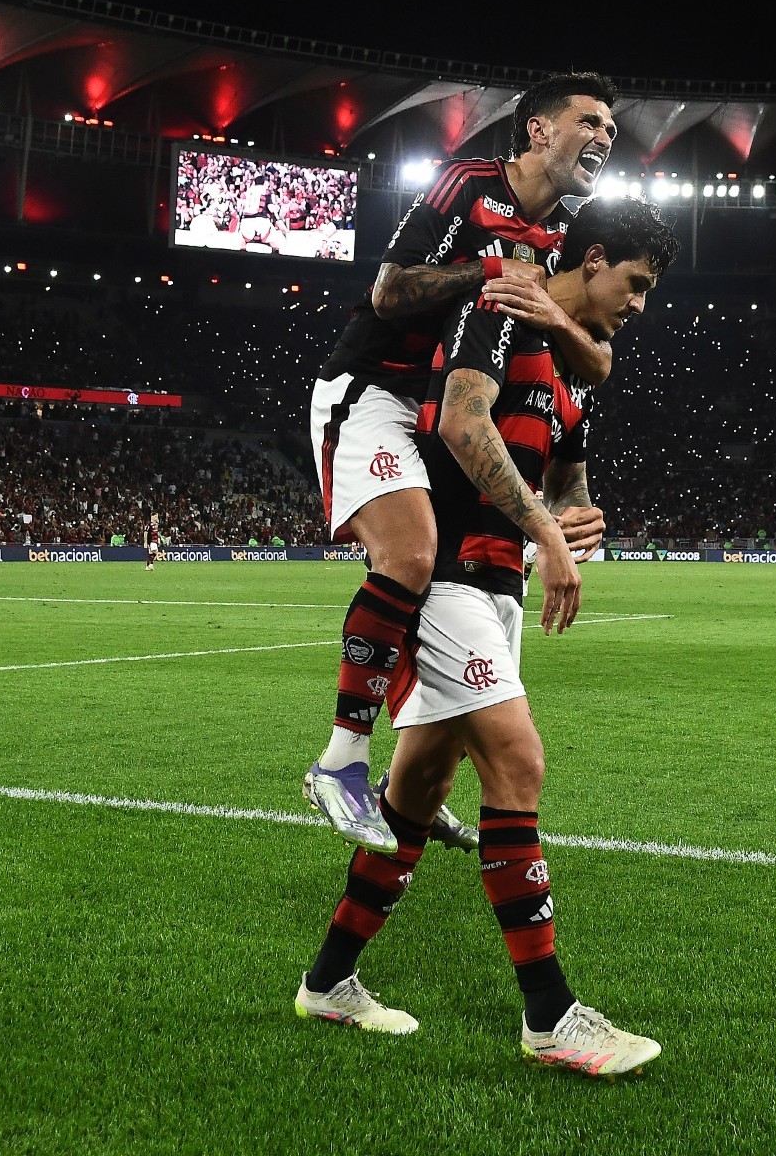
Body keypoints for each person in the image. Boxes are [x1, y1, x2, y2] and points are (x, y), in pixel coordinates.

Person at [294, 195, 679, 1075]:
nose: (639, 305)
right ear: (591, 260)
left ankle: (328, 983)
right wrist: (545, 529)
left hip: (498, 589)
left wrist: (577, 516)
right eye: (636, 283)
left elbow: (569, 473)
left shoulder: (575, 371)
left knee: (418, 794)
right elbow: (461, 423)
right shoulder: (496, 310)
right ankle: (551, 1016)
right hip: (452, 578)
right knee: (519, 764)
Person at [303, 72, 621, 853]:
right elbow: (387, 292)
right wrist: (490, 272)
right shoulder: (468, 184)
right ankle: (339, 762)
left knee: (450, 583)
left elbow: (594, 364)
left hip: (438, 407)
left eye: (613, 129)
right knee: (411, 555)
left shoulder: (563, 235)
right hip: (374, 391)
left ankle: (410, 782)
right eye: (591, 121)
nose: (607, 138)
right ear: (540, 132)